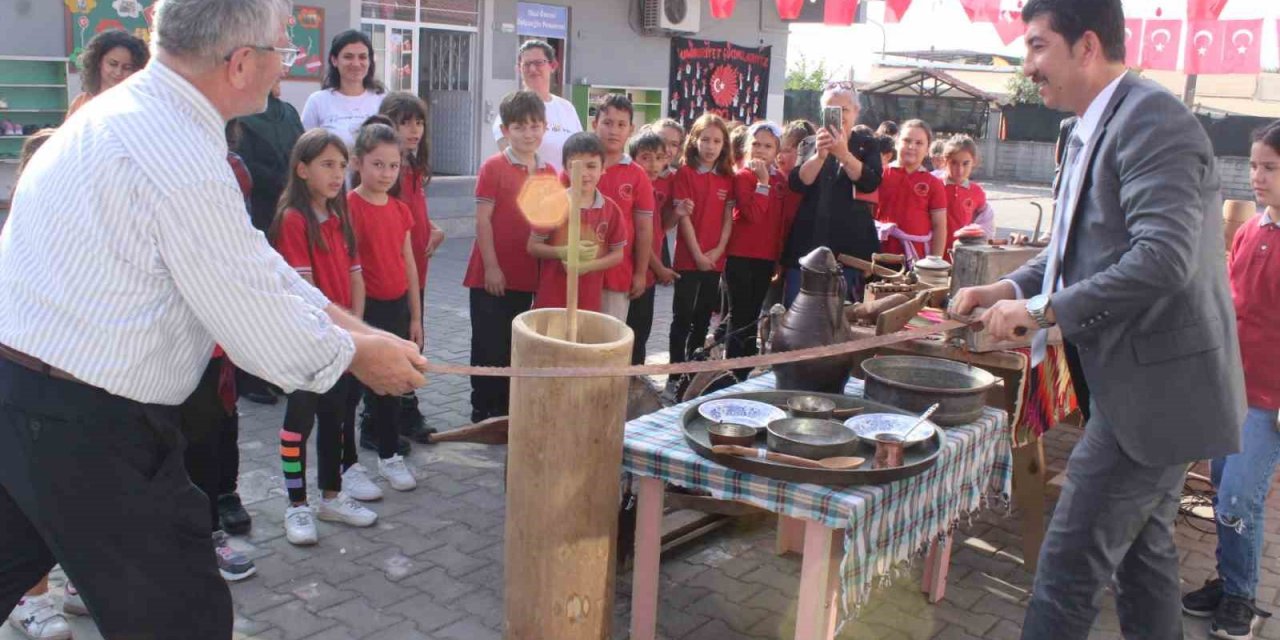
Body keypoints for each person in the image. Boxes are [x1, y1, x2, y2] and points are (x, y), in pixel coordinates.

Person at [0, 0, 427, 636]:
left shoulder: (133, 114)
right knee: (183, 618)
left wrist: (360, 329)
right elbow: (254, 319)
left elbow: (253, 265)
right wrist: (360, 358)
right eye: (283, 49)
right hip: (88, 423)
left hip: (27, 396)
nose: (287, 63)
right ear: (240, 63)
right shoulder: (177, 152)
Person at [951, 1, 1245, 638]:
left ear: (1086, 46)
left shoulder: (1153, 120)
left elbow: (1162, 259)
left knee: (1066, 573)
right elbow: (1072, 254)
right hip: (1135, 391)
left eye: (1037, 47)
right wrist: (1005, 285)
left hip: (1157, 396)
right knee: (1144, 562)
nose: (1026, 65)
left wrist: (1040, 311)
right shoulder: (1089, 124)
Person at [1180, 121, 1280, 639]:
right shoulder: (1248, 230)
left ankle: (1242, 597)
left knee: (1241, 498)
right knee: (1223, 492)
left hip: (1270, 402)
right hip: (1230, 388)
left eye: (1270, 167)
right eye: (1254, 165)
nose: (1256, 177)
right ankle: (1228, 579)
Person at [271, 129, 381, 546]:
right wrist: (333, 331)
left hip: (339, 340)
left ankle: (331, 497)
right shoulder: (293, 220)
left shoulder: (340, 217)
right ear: (302, 170)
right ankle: (296, 505)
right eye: (326, 165)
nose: (337, 175)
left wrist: (355, 328)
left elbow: (355, 276)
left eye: (341, 165)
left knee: (337, 418)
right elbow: (304, 291)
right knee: (298, 424)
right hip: (306, 342)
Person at [3, 129, 70, 640]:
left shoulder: (79, 234)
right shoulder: (17, 237)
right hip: (21, 391)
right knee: (24, 508)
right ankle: (33, 598)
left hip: (63, 399)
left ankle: (70, 587)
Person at [464, 91, 555, 424]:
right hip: (492, 273)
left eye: (534, 126)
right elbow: (482, 220)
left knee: (514, 345)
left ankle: (506, 409)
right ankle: (482, 408)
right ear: (505, 130)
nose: (528, 133)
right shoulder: (493, 167)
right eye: (520, 127)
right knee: (488, 343)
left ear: (544, 127)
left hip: (527, 274)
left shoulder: (550, 173)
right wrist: (491, 267)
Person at [347, 119, 423, 490]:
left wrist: (416, 316)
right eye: (378, 164)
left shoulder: (399, 209)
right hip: (365, 312)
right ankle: (349, 464)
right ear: (358, 162)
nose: (386, 173)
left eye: (393, 166)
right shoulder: (348, 207)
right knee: (360, 389)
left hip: (397, 308)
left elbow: (408, 262)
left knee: (392, 386)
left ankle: (390, 456)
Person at [379, 93, 444, 444]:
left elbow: (414, 216)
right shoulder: (389, 171)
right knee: (401, 343)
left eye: (418, 122)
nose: (414, 129)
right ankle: (389, 418)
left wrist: (432, 229)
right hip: (395, 275)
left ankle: (403, 412)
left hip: (419, 269)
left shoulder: (413, 168)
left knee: (413, 338)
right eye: (405, 122)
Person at [782, 82, 883, 305]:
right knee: (797, 312)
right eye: (831, 109)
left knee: (842, 316)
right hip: (808, 240)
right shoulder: (810, 143)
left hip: (850, 246)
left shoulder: (867, 144)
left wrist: (845, 155)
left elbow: (870, 182)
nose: (838, 116)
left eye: (844, 110)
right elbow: (798, 183)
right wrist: (819, 156)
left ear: (856, 112)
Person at [665, 113, 735, 400]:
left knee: (703, 319)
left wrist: (717, 252)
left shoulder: (728, 178)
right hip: (687, 259)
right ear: (694, 140)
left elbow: (729, 219)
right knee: (681, 317)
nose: (710, 146)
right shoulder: (684, 173)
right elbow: (684, 219)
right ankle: (674, 374)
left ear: (724, 145)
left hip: (714, 260)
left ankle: (692, 376)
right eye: (705, 139)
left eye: (716, 141)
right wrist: (697, 254)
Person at [528, 132, 626, 312]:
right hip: (551, 301)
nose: (585, 174)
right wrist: (565, 252)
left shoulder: (611, 210)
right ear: (565, 168)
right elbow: (533, 246)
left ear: (602, 168)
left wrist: (588, 265)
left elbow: (618, 254)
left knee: (584, 338)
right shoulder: (551, 205)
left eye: (591, 166)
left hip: (588, 303)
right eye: (576, 166)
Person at [725, 121, 787, 381]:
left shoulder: (781, 179)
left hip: (765, 257)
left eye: (768, 146)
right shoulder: (741, 176)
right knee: (739, 313)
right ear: (747, 146)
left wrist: (779, 257)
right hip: (740, 254)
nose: (761, 150)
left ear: (777, 151)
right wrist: (762, 183)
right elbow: (751, 214)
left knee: (753, 314)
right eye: (756, 144)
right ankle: (733, 370)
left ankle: (746, 368)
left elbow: (780, 221)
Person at [593, 94, 655, 323]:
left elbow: (643, 229)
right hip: (578, 275)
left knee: (608, 346)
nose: (614, 130)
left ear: (631, 129)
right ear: (594, 124)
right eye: (607, 123)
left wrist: (640, 273)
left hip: (618, 276)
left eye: (621, 124)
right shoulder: (578, 164)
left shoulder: (637, 175)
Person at [625, 129, 680, 365]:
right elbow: (639, 237)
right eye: (646, 157)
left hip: (647, 274)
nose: (653, 164)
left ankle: (637, 383)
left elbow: (660, 228)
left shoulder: (659, 186)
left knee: (642, 331)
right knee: (629, 334)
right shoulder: (632, 188)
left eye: (659, 157)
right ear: (633, 158)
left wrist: (677, 214)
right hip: (632, 272)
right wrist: (660, 268)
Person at [492, 40, 582, 173]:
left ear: (553, 65)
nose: (532, 69)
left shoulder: (567, 108)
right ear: (519, 69)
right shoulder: (512, 108)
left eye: (539, 63)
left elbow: (580, 152)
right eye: (526, 64)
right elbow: (510, 162)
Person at [877, 119, 948, 261]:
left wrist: (934, 264)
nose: (911, 146)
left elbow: (939, 226)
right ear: (896, 144)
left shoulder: (934, 183)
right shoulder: (879, 175)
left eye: (919, 143)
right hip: (878, 255)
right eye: (906, 140)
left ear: (927, 149)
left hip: (917, 260)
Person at [302, 29, 385, 149]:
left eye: (362, 57)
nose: (356, 64)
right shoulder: (318, 101)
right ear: (334, 60)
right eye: (348, 57)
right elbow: (305, 149)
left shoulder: (382, 101)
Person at [66, 30, 149, 118]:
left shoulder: (138, 105)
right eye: (113, 64)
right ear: (98, 62)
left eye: (127, 67)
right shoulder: (81, 102)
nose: (118, 72)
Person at [940, 134, 989, 260]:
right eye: (954, 163)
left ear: (974, 162)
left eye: (965, 163)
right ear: (945, 161)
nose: (959, 170)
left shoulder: (977, 192)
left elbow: (985, 225)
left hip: (963, 255)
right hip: (934, 253)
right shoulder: (935, 185)